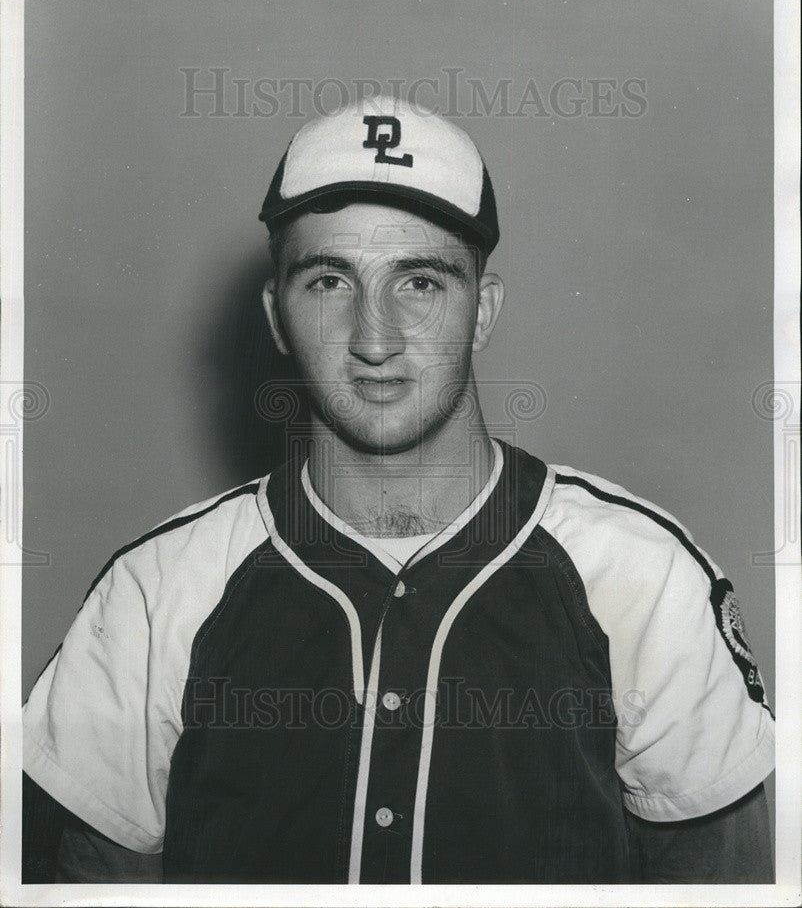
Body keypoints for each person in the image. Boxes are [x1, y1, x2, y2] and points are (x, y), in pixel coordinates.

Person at [22, 97, 775, 884]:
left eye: (419, 282)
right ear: (277, 317)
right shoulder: (153, 593)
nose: (374, 339)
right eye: (328, 282)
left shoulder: (643, 580)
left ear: (481, 312)